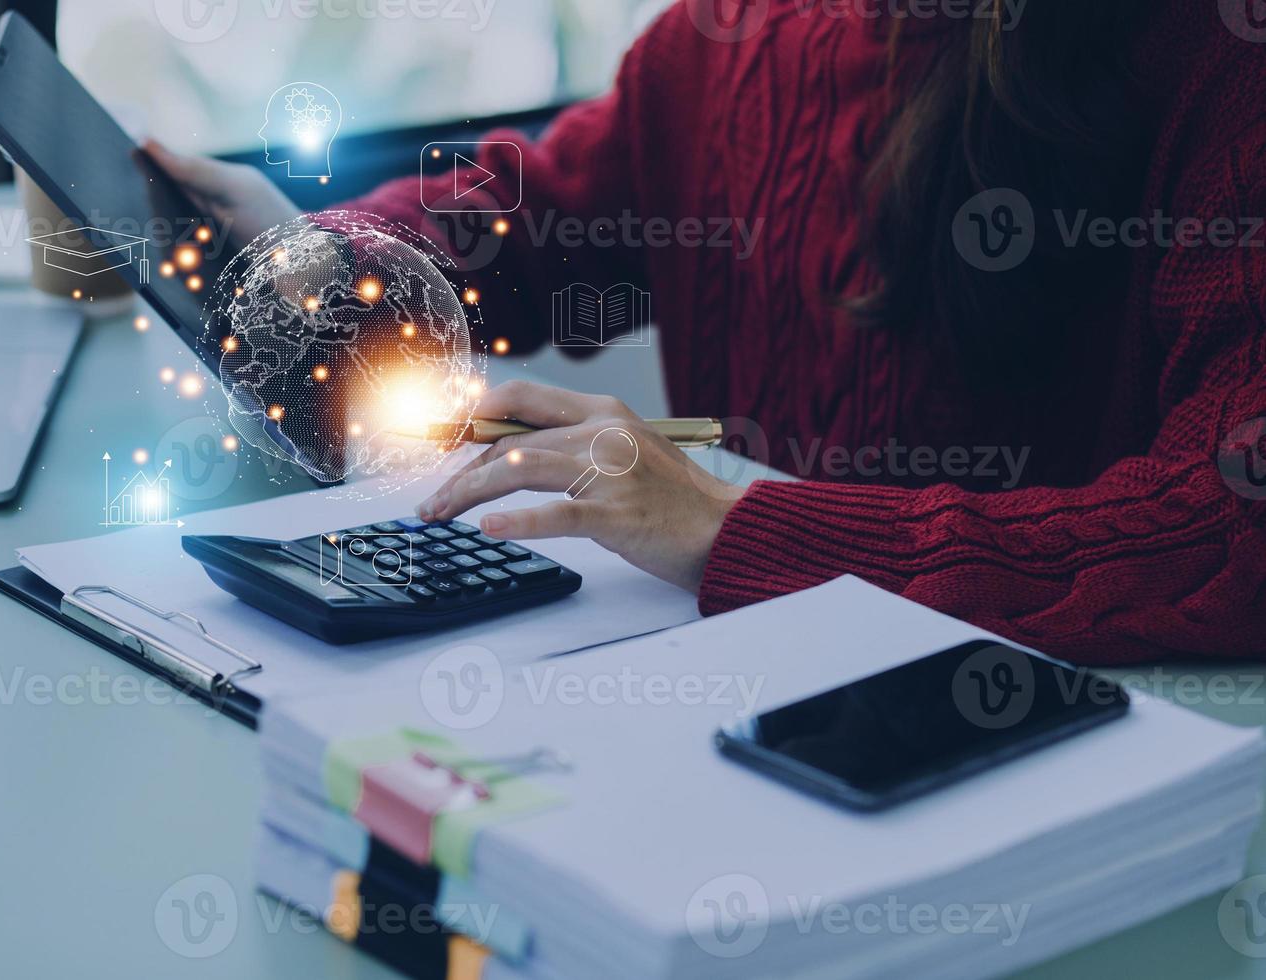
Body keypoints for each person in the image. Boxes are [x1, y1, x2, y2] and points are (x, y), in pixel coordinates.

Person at [147, 0, 1266, 665]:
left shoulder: (1221, 63)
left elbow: (1231, 531)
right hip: (727, 681)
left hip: (1017, 750)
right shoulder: (727, 34)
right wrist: (328, 252)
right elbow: (548, 210)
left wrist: (737, 523)